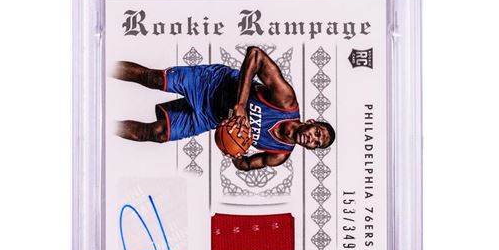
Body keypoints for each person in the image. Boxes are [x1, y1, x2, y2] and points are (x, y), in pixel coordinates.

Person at [113, 46, 335, 171]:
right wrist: (241, 105)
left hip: (210, 117)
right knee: (153, 79)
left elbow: (245, 164)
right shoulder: (285, 101)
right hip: (212, 83)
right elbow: (256, 54)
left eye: (316, 144)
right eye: (317, 133)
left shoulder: (279, 154)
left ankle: (104, 126)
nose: (312, 139)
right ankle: (103, 66)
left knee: (157, 134)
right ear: (311, 122)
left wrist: (234, 151)